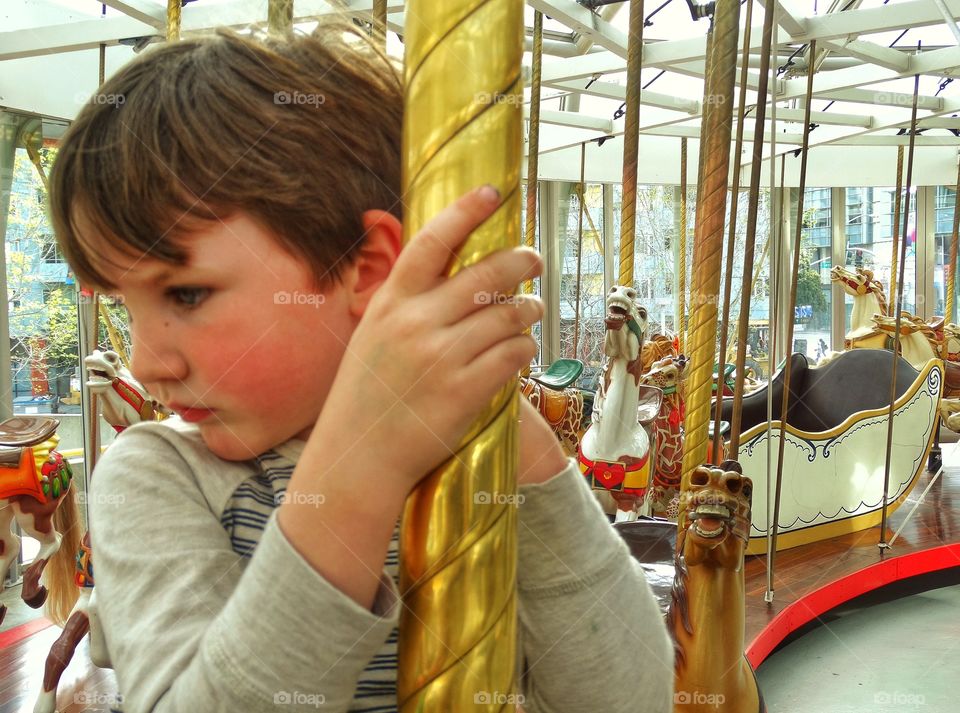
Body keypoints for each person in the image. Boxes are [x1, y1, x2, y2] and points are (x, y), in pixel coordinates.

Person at [49, 22, 672, 713]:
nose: (143, 360)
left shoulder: (475, 460)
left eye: (185, 294)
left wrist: (519, 449)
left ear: (366, 267)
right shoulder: (156, 476)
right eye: (124, 306)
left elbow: (629, 696)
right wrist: (361, 465)